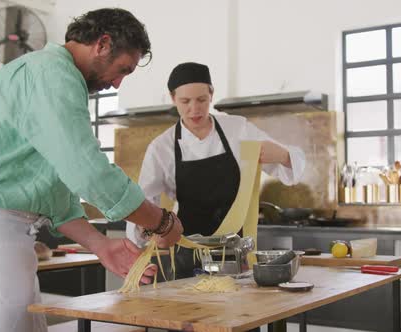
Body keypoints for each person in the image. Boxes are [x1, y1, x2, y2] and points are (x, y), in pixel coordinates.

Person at [0, 8, 183, 332]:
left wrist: (100, 244)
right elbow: (89, 172)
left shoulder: (47, 75)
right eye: (123, 69)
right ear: (102, 43)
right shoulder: (54, 73)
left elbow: (56, 193)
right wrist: (162, 222)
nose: (117, 83)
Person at [126, 62, 306, 279]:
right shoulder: (161, 147)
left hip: (236, 251)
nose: (195, 109)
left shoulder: (237, 129)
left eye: (202, 99)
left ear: (211, 94)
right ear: (173, 99)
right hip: (187, 253)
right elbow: (143, 202)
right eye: (185, 101)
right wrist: (139, 250)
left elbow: (292, 165)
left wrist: (283, 155)